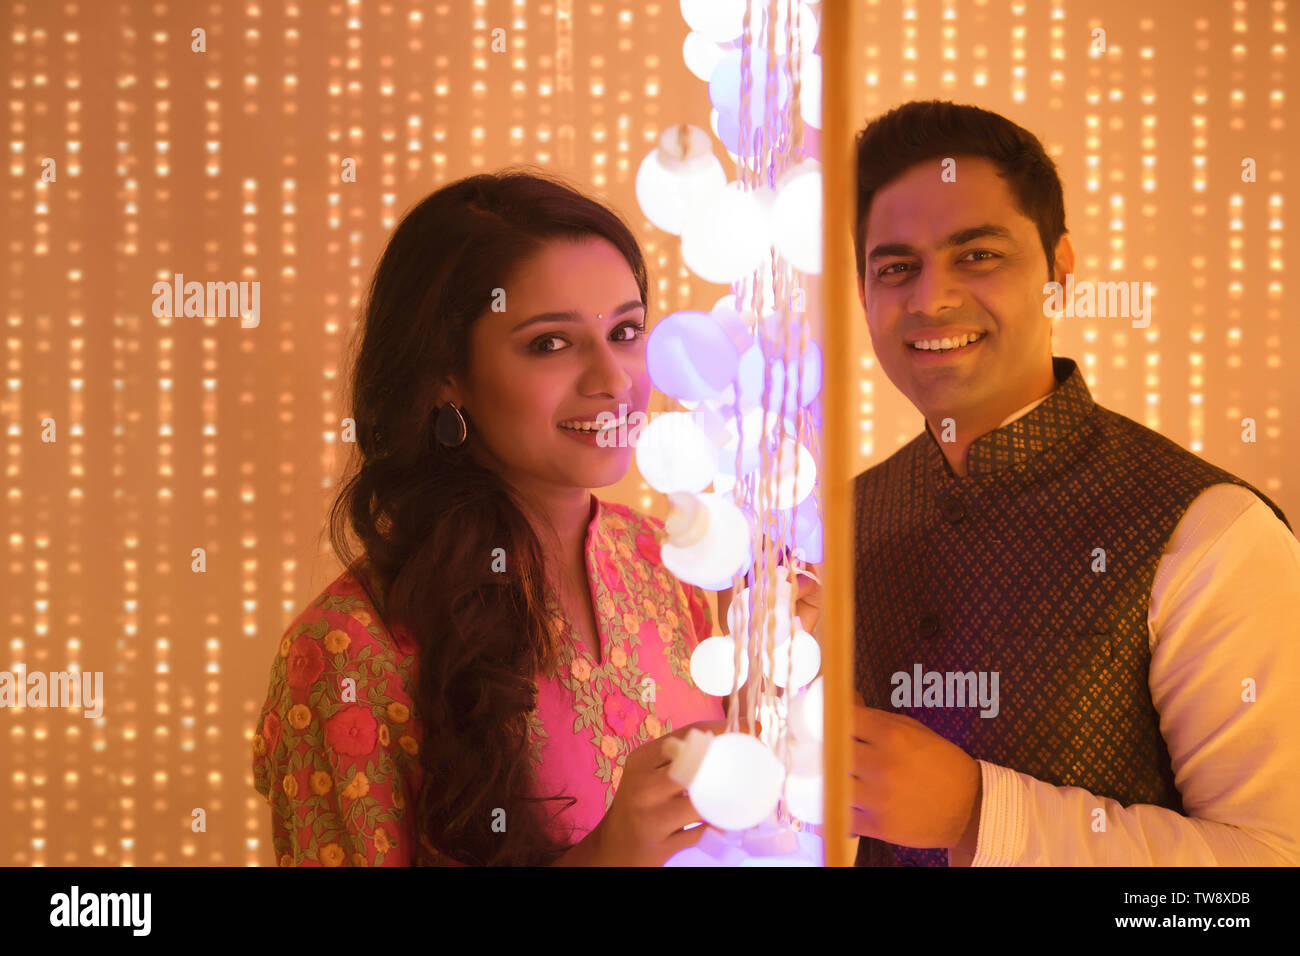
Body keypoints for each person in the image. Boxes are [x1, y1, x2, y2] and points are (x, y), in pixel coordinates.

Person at [848, 100, 1300, 866]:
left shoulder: (1210, 531)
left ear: (1060, 273)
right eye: (897, 268)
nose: (931, 299)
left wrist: (981, 817)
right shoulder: (843, 516)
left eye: (978, 255)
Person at [251, 170, 745, 866]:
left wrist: (768, 682)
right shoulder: (347, 654)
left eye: (626, 330)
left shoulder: (662, 558)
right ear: (445, 374)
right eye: (550, 342)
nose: (613, 379)